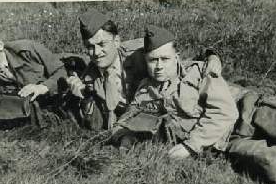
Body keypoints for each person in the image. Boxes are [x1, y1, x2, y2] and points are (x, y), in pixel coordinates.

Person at [65, 9, 222, 130]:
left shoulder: (138, 51)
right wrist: (84, 99)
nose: (96, 53)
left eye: (102, 44)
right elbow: (96, 125)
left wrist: (211, 56)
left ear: (117, 41)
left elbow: (176, 55)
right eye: (90, 47)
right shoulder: (88, 78)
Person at [111, 25, 239, 160]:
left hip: (242, 117)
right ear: (145, 60)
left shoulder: (198, 73)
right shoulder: (145, 88)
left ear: (176, 57)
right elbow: (127, 117)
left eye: (165, 59)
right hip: (218, 137)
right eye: (153, 60)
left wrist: (190, 146)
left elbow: (225, 112)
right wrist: (124, 136)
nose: (159, 66)